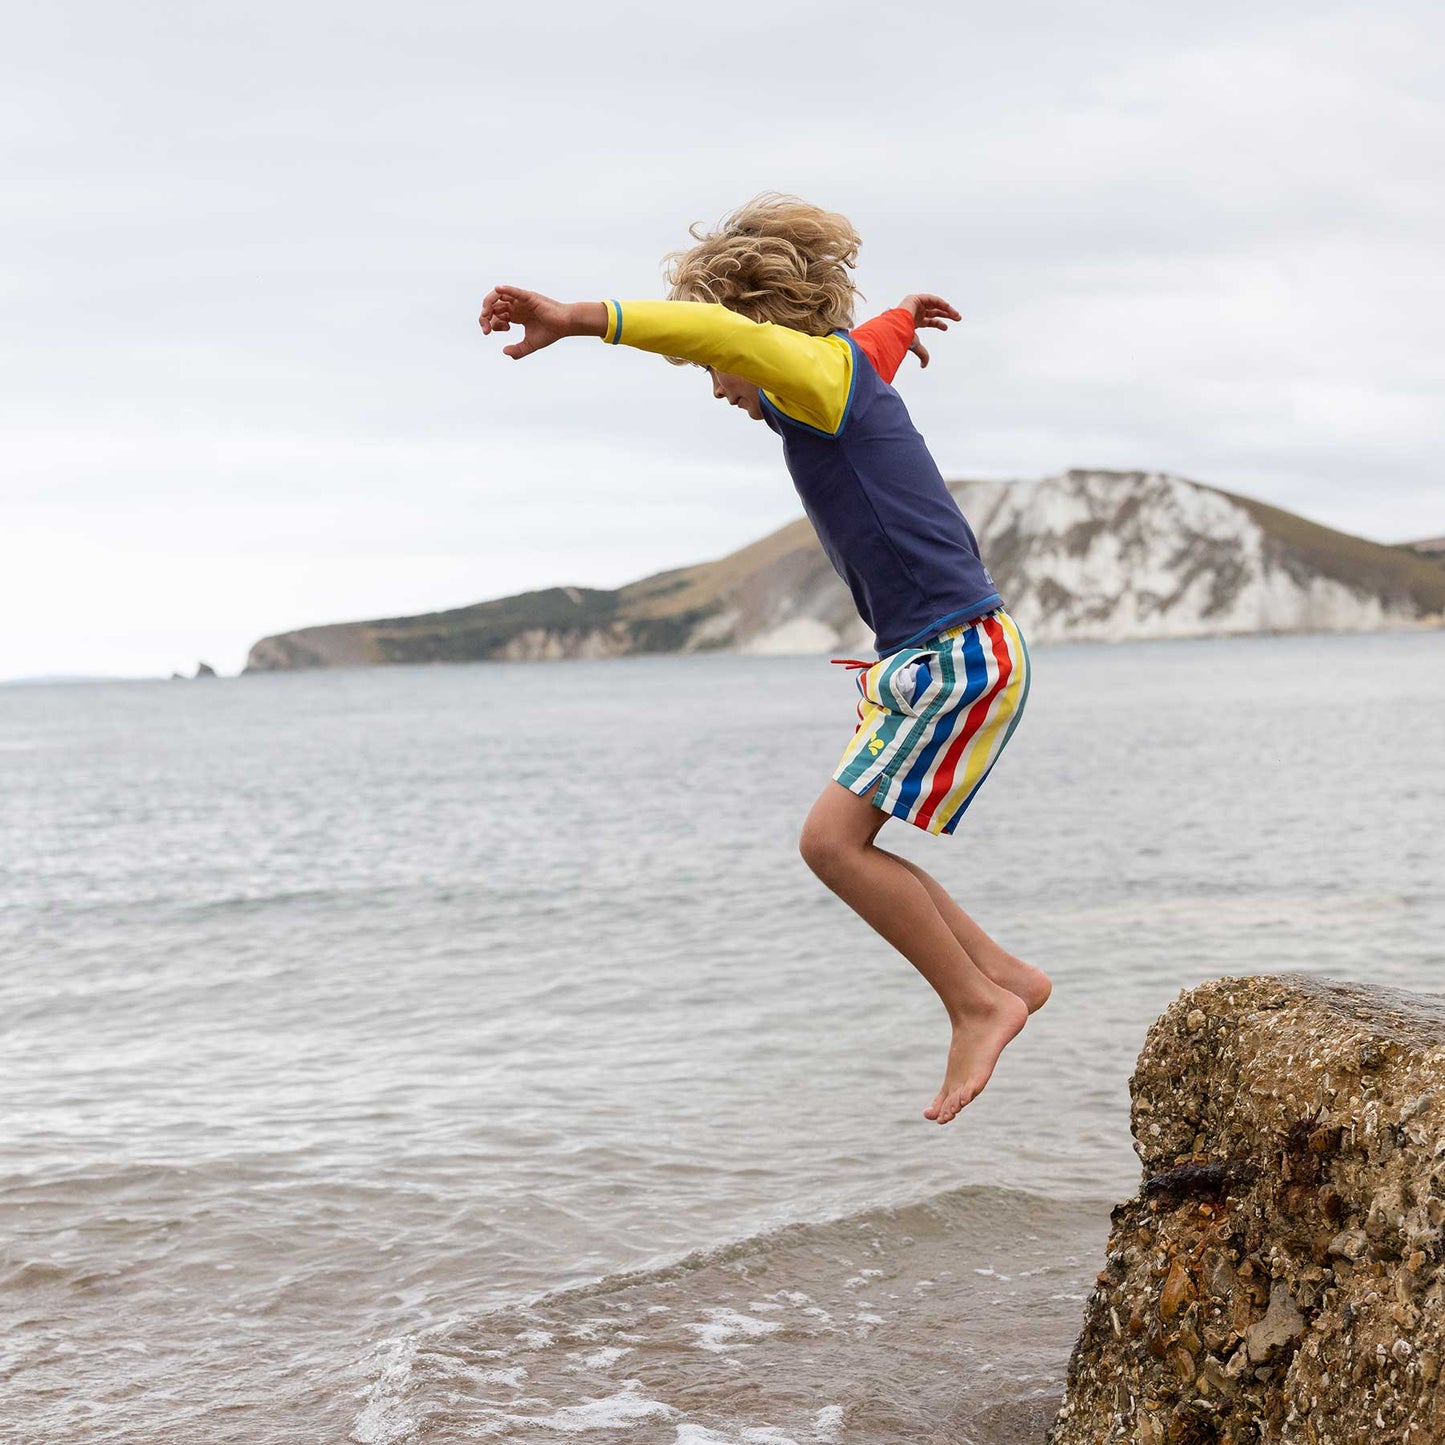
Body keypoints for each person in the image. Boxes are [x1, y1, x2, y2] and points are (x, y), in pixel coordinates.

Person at [479, 194, 1050, 1125]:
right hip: (935, 655)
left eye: (715, 366)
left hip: (953, 655)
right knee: (849, 845)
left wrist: (575, 318)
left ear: (755, 335)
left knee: (830, 845)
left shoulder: (811, 378)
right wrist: (902, 316)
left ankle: (975, 1002)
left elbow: (730, 335)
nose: (716, 386)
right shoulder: (834, 376)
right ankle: (1002, 976)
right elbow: (868, 347)